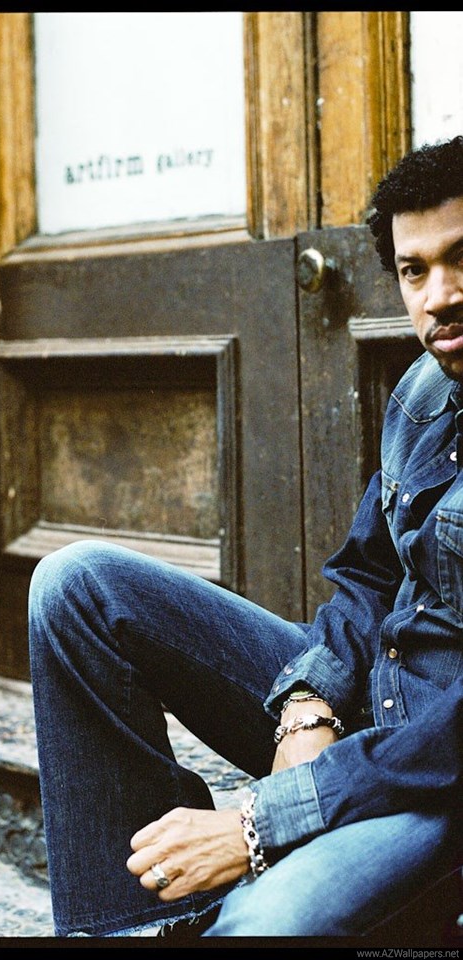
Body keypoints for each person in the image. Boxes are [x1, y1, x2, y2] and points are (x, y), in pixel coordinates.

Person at [28, 136, 463, 941]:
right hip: (374, 706)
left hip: (438, 779)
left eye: (462, 259)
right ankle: (133, 929)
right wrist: (307, 703)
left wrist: (263, 820)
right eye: (414, 270)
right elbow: (367, 578)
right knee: (78, 588)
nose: (439, 297)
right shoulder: (426, 390)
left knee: (263, 923)